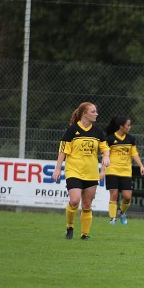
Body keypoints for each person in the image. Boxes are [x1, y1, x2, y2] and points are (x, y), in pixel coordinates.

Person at [53, 101, 110, 240]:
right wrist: (57, 169)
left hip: (91, 172)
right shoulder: (72, 130)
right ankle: (70, 226)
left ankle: (85, 234)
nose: (96, 114)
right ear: (84, 114)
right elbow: (63, 151)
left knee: (87, 204)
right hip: (74, 171)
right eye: (93, 111)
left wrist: (106, 157)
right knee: (74, 200)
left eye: (96, 111)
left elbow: (105, 148)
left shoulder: (98, 132)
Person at [103, 115, 144, 225]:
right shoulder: (110, 139)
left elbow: (134, 153)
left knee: (127, 197)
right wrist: (102, 171)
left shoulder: (130, 139)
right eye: (128, 125)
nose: (129, 127)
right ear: (121, 126)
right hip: (112, 170)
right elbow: (105, 156)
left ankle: (122, 212)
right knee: (114, 195)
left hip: (126, 171)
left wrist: (141, 165)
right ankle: (112, 219)